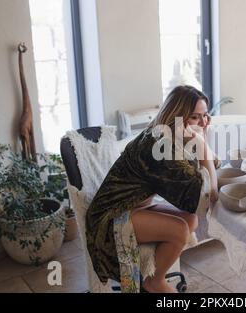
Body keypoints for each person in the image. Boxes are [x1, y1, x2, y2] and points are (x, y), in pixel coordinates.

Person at [86, 85, 219, 293]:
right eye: (195, 117)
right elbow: (204, 196)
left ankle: (153, 270)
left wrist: (201, 141)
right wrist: (201, 144)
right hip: (111, 217)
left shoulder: (168, 135)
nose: (203, 123)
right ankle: (153, 282)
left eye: (205, 116)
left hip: (135, 206)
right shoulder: (159, 145)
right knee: (180, 230)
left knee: (190, 220)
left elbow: (209, 170)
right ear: (177, 116)